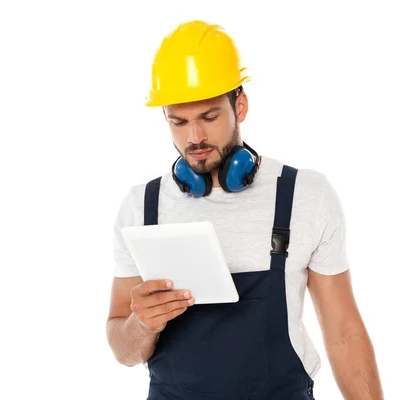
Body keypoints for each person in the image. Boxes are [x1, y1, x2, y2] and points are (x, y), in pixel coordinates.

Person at [105, 20, 384, 399]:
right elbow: (123, 349)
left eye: (208, 117)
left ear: (240, 104)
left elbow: (344, 334)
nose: (194, 138)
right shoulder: (141, 208)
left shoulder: (305, 196)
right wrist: (142, 324)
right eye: (178, 122)